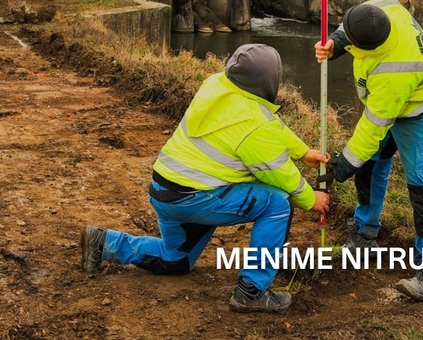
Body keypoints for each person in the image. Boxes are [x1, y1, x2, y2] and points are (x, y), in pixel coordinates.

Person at [80, 44, 330, 313]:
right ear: (270, 81)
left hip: (165, 191)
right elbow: (282, 174)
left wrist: (302, 152)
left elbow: (268, 122)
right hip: (196, 199)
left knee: (176, 260)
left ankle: (104, 242)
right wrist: (310, 199)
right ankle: (252, 291)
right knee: (278, 204)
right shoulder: (255, 126)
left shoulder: (217, 86)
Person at [313, 0, 423, 301]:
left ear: (367, 48)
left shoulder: (394, 71)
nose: (348, 39)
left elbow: (373, 128)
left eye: (350, 41)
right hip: (388, 101)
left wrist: (343, 165)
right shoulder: (383, 9)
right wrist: (336, 43)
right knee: (370, 167)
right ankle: (365, 233)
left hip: (420, 109)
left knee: (421, 186)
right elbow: (354, 24)